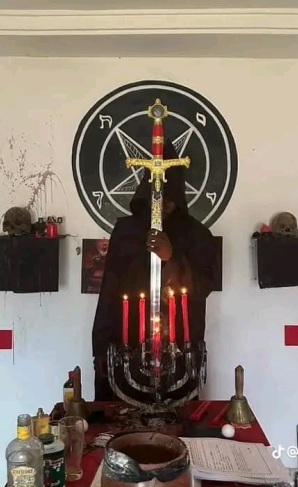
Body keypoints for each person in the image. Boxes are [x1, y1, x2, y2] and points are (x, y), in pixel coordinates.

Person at [92, 139, 218, 401]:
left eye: (171, 197)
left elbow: (204, 285)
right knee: (122, 413)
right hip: (127, 345)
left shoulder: (197, 235)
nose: (163, 202)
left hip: (177, 346)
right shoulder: (126, 231)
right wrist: (101, 348)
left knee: (174, 411)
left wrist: (172, 258)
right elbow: (109, 291)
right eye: (158, 194)